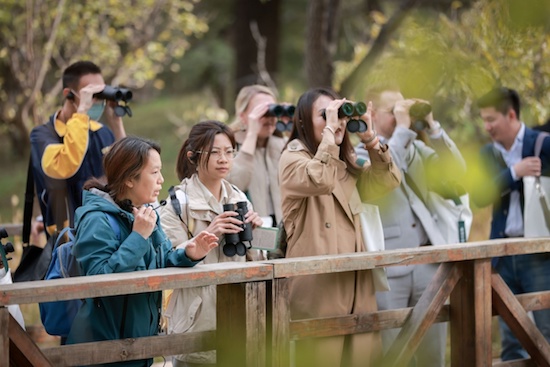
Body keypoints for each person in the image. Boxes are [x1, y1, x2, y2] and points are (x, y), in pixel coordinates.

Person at [65, 136, 218, 367]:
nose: (161, 180)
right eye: (154, 172)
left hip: (139, 349)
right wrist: (138, 237)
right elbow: (97, 279)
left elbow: (164, 257)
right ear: (129, 178)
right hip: (104, 351)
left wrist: (189, 253)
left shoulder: (145, 213)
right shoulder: (97, 220)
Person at [278, 87, 401, 367]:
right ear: (302, 122)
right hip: (318, 291)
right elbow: (319, 179)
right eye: (325, 115)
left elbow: (388, 182)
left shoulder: (346, 164)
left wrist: (369, 138)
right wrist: (331, 137)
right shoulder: (291, 159)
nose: (336, 122)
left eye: (338, 114)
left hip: (357, 285)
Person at [355, 88, 467, 366]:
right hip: (389, 265)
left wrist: (433, 127)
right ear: (373, 113)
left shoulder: (416, 147)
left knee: (433, 352)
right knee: (394, 354)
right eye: (393, 111)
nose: (399, 117)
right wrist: (403, 131)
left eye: (402, 110)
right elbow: (386, 176)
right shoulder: (359, 151)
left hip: (428, 262)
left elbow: (457, 173)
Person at [159, 120, 263, 367]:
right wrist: (209, 233)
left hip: (240, 321)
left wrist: (258, 233)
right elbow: (168, 259)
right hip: (196, 324)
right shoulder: (177, 204)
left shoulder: (239, 199)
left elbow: (256, 261)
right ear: (192, 156)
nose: (223, 159)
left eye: (229, 152)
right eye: (214, 152)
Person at [472, 87, 550, 361]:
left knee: (547, 332)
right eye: (483, 119)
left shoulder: (543, 144)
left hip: (539, 255)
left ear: (512, 115)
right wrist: (513, 173)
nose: (487, 126)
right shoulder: (487, 154)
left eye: (491, 119)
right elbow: (479, 196)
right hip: (503, 254)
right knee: (510, 338)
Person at [29, 60, 126, 238]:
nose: (97, 101)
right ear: (69, 94)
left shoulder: (101, 132)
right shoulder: (43, 135)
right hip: (68, 237)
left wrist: (116, 123)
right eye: (90, 94)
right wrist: (82, 113)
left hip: (106, 228)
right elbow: (65, 167)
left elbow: (126, 171)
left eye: (101, 93)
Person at [227, 85, 285, 227]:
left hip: (285, 233)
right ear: (242, 116)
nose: (269, 117)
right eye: (261, 111)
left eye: (272, 110)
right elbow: (235, 183)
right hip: (250, 231)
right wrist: (251, 134)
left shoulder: (282, 144)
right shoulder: (229, 145)